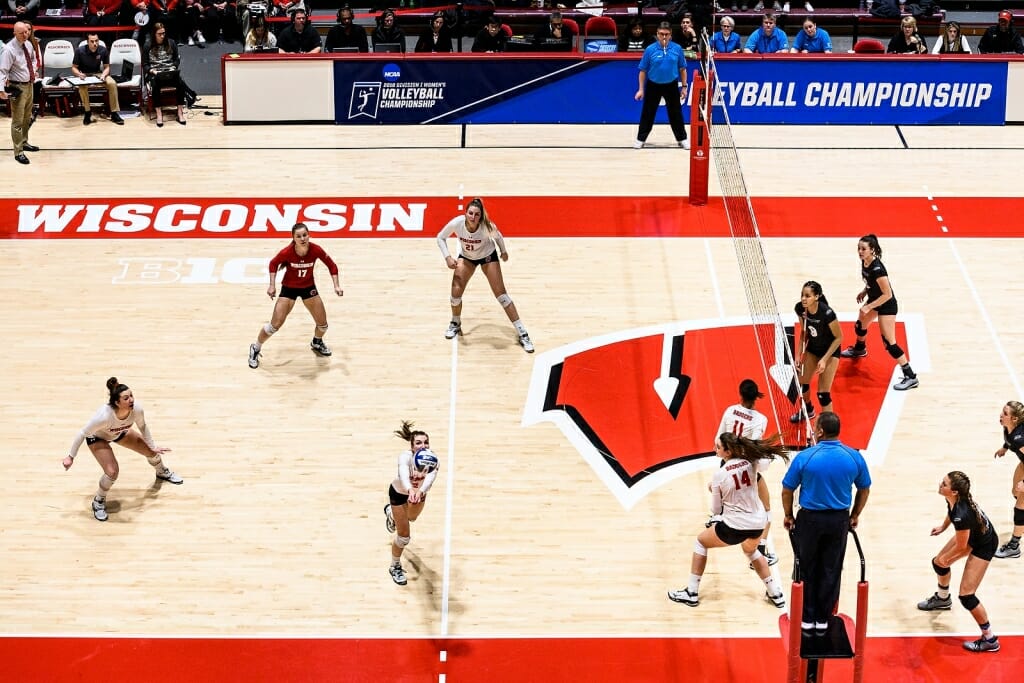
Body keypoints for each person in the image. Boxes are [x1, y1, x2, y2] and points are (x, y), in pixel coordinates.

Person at [668, 432, 789, 608]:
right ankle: (775, 593)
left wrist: (714, 489)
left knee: (701, 542)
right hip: (758, 524)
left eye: (718, 447)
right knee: (751, 551)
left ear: (728, 451)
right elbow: (764, 463)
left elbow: (716, 510)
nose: (714, 450)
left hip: (734, 527)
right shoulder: (750, 463)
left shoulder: (720, 475)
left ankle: (691, 592)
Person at [781, 412, 871, 635]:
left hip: (810, 520)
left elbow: (787, 489)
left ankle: (806, 617)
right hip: (838, 520)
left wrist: (788, 515)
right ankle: (822, 618)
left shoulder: (805, 457)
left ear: (820, 431)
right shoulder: (854, 457)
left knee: (805, 566)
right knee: (831, 568)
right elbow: (864, 488)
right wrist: (855, 514)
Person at [62, 377, 184, 522]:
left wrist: (152, 447)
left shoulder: (136, 409)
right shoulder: (103, 417)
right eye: (126, 398)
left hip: (119, 432)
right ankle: (98, 501)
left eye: (131, 395)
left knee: (151, 452)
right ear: (117, 403)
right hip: (98, 438)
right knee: (112, 472)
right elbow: (82, 433)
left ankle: (162, 472)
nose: (131, 400)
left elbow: (142, 426)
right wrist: (71, 457)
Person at [436, 198, 534, 353]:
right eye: (470, 213)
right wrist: (447, 257)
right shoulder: (457, 223)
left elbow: (498, 237)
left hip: (488, 257)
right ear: (466, 213)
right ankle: (455, 323)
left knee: (502, 296)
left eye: (476, 214)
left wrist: (503, 251)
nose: (473, 217)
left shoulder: (486, 226)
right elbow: (440, 237)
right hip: (467, 258)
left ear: (480, 217)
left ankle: (523, 333)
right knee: (455, 292)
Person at [916, 471, 1000, 653]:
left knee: (967, 596)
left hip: (984, 544)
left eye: (944, 484)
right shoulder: (955, 500)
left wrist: (948, 559)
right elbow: (950, 512)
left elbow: (962, 546)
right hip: (973, 534)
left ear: (954, 491)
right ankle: (943, 599)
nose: (941, 484)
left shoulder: (962, 514)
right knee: (939, 563)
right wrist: (943, 527)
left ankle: (990, 639)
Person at [248, 222, 343, 368]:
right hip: (289, 290)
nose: (303, 238)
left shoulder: (316, 249)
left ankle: (317, 341)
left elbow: (332, 265)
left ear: (309, 235)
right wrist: (272, 285)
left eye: (305, 235)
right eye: (299, 236)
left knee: (323, 325)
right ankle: (255, 347)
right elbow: (273, 264)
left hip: (308, 289)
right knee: (274, 326)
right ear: (293, 238)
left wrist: (336, 285)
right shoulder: (287, 252)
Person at [839, 235, 918, 391]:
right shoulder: (865, 261)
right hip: (875, 299)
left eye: (863, 249)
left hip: (886, 306)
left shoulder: (878, 269)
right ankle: (860, 349)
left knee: (889, 343)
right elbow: (871, 283)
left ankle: (911, 376)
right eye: (859, 248)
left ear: (872, 250)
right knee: (860, 324)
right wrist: (864, 291)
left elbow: (887, 294)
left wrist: (869, 307)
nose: (860, 252)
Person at [716, 379, 778, 566]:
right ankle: (760, 550)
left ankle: (718, 518)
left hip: (725, 467)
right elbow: (755, 449)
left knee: (732, 503)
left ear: (740, 394)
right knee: (765, 508)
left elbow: (718, 440)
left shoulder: (729, 411)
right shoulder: (761, 420)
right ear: (755, 397)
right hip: (746, 469)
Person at [383, 421, 440, 586]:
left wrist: (420, 492)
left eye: (426, 442)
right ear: (412, 445)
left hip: (418, 495)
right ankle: (395, 566)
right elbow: (403, 474)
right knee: (403, 537)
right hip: (399, 494)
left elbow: (430, 480)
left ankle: (391, 515)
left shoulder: (433, 459)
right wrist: (410, 490)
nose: (423, 445)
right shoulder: (405, 457)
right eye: (419, 442)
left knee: (412, 518)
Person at [791, 281, 842, 423]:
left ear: (817, 297)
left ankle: (829, 432)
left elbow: (839, 338)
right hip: (813, 349)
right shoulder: (800, 308)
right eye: (802, 295)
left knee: (823, 394)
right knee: (803, 384)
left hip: (830, 352)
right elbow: (803, 332)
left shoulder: (827, 313)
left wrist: (825, 359)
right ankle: (808, 409)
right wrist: (798, 355)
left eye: (807, 296)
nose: (803, 298)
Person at [633, 22, 689, 151]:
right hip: (653, 85)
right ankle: (640, 139)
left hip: (671, 85)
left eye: (667, 34)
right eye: (661, 34)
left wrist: (684, 87)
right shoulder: (650, 49)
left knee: (676, 114)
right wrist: (641, 89)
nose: (664, 37)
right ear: (657, 34)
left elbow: (682, 69)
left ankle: (682, 139)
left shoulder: (677, 49)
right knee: (648, 113)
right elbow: (642, 71)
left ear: (671, 35)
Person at [0, 21, 40, 165]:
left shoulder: (28, 44)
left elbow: (34, 60)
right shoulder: (9, 49)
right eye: (22, 33)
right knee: (17, 121)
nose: (26, 34)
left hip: (29, 85)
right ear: (14, 33)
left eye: (27, 32)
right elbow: (2, 71)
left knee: (27, 117)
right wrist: (1, 89)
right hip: (17, 87)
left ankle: (24, 142)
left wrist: (34, 70)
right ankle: (18, 152)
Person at [71, 32, 126, 126]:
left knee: (112, 83)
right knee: (82, 88)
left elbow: (107, 67)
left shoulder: (103, 50)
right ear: (87, 42)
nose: (95, 43)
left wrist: (104, 75)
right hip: (85, 75)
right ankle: (87, 113)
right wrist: (79, 74)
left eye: (96, 41)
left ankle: (114, 113)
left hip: (98, 73)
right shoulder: (79, 51)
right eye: (92, 41)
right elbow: (74, 67)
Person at [993, 400, 1024, 559]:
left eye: (1005, 414)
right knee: (1015, 492)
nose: (1001, 415)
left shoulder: (1020, 438)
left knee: (1020, 506)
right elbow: (1008, 438)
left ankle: (1014, 546)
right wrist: (1004, 448)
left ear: (1014, 419)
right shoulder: (1008, 428)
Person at [143, 22, 187, 127]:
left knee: (181, 83)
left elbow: (176, 60)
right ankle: (159, 113)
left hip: (169, 71)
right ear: (154, 34)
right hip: (155, 73)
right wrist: (152, 71)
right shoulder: (147, 45)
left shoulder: (171, 43)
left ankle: (180, 112)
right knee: (155, 85)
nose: (162, 35)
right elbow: (145, 65)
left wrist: (173, 67)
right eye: (160, 34)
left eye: (163, 33)